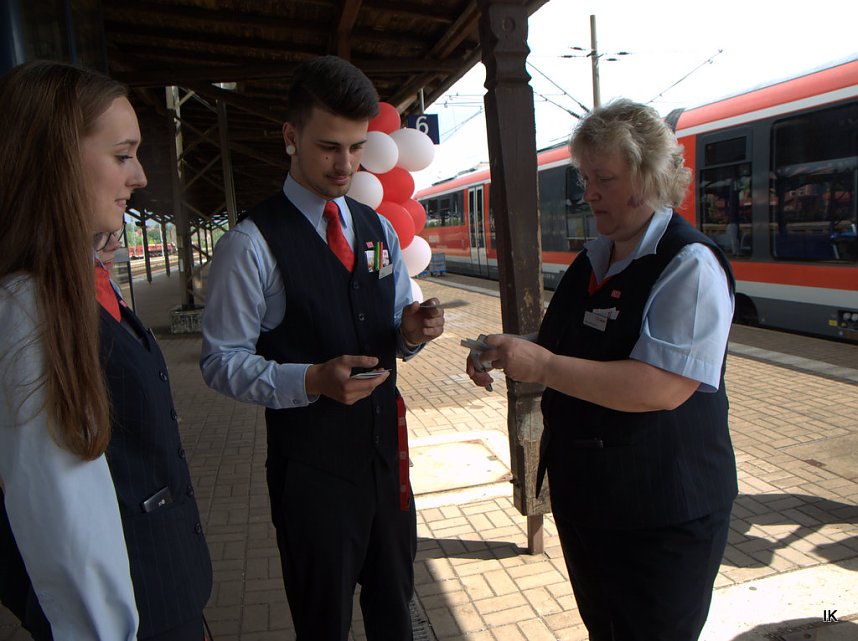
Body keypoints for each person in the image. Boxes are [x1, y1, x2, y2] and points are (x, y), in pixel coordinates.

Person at [468, 99, 737, 641]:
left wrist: (540, 362)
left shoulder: (688, 264)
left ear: (649, 176)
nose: (588, 192)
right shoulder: (596, 256)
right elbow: (568, 348)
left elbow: (659, 386)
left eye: (604, 178)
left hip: (661, 514)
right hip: (592, 501)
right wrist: (510, 347)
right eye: (585, 177)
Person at [200, 55, 444, 640]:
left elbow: (391, 323)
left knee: (396, 616)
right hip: (310, 478)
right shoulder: (251, 244)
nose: (346, 165)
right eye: (330, 147)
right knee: (322, 625)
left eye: (357, 148)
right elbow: (219, 361)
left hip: (387, 470)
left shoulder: (377, 228)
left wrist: (410, 332)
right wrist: (310, 380)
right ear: (291, 137)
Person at [0, 60, 211, 641]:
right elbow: (65, 523)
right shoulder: (28, 313)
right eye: (122, 155)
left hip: (164, 596)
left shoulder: (75, 284)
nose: (140, 176)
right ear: (57, 164)